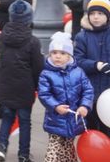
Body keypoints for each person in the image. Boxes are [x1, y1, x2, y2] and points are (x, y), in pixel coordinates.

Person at [0, 0, 44, 162]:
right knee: (25, 121)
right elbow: (38, 67)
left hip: (5, 86)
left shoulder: (1, 38)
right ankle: (23, 154)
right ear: (29, 19)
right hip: (25, 88)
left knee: (7, 118)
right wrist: (40, 87)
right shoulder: (33, 41)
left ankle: (1, 147)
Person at [38, 32, 94, 162]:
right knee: (55, 148)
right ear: (50, 54)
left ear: (69, 55)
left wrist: (84, 106)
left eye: (62, 53)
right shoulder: (46, 74)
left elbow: (88, 90)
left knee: (68, 147)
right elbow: (44, 94)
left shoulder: (78, 72)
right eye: (54, 52)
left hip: (74, 119)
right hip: (55, 119)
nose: (58, 56)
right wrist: (55, 106)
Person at [73, 0, 110, 136]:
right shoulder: (82, 36)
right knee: (92, 128)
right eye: (92, 13)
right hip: (90, 92)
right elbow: (77, 60)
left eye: (100, 13)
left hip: (108, 92)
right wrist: (96, 65)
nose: (95, 17)